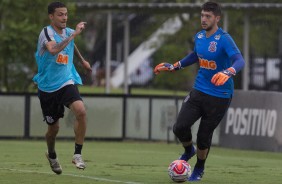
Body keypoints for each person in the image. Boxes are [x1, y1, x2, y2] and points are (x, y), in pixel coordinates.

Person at [154, 1, 245, 182]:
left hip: (220, 96)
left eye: (208, 16)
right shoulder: (200, 36)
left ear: (217, 18)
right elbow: (195, 55)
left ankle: (199, 167)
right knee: (179, 127)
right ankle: (189, 150)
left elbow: (239, 60)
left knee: (203, 136)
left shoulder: (224, 38)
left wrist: (228, 72)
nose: (203, 19)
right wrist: (175, 66)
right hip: (199, 91)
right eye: (202, 15)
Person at [33, 1, 92, 174]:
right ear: (51, 16)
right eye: (60, 14)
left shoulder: (68, 32)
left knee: (81, 111)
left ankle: (77, 154)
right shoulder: (46, 33)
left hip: (66, 80)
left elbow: (72, 45)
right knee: (53, 129)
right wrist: (74, 35)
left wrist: (82, 61)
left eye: (66, 14)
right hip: (48, 87)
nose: (64, 17)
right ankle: (51, 154)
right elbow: (53, 50)